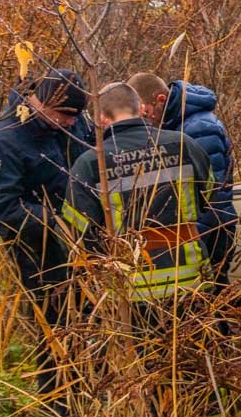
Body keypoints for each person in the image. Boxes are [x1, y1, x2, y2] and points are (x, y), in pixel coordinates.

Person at [0, 68, 93, 415]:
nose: (72, 123)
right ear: (39, 102)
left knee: (92, 322)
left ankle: (94, 397)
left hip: (88, 245)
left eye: (76, 116)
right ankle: (60, 411)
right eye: (64, 115)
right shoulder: (2, 140)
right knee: (55, 328)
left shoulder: (74, 124)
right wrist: (59, 226)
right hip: (40, 252)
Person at [61, 82, 214, 303]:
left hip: (129, 291)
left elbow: (75, 231)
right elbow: (209, 195)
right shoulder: (183, 144)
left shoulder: (90, 163)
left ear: (101, 118)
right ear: (141, 108)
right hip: (191, 282)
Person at [127, 72, 235, 286]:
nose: (145, 120)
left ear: (161, 100)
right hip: (194, 235)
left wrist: (194, 243)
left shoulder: (199, 129)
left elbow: (211, 197)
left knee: (211, 298)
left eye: (146, 113)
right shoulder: (173, 126)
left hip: (210, 233)